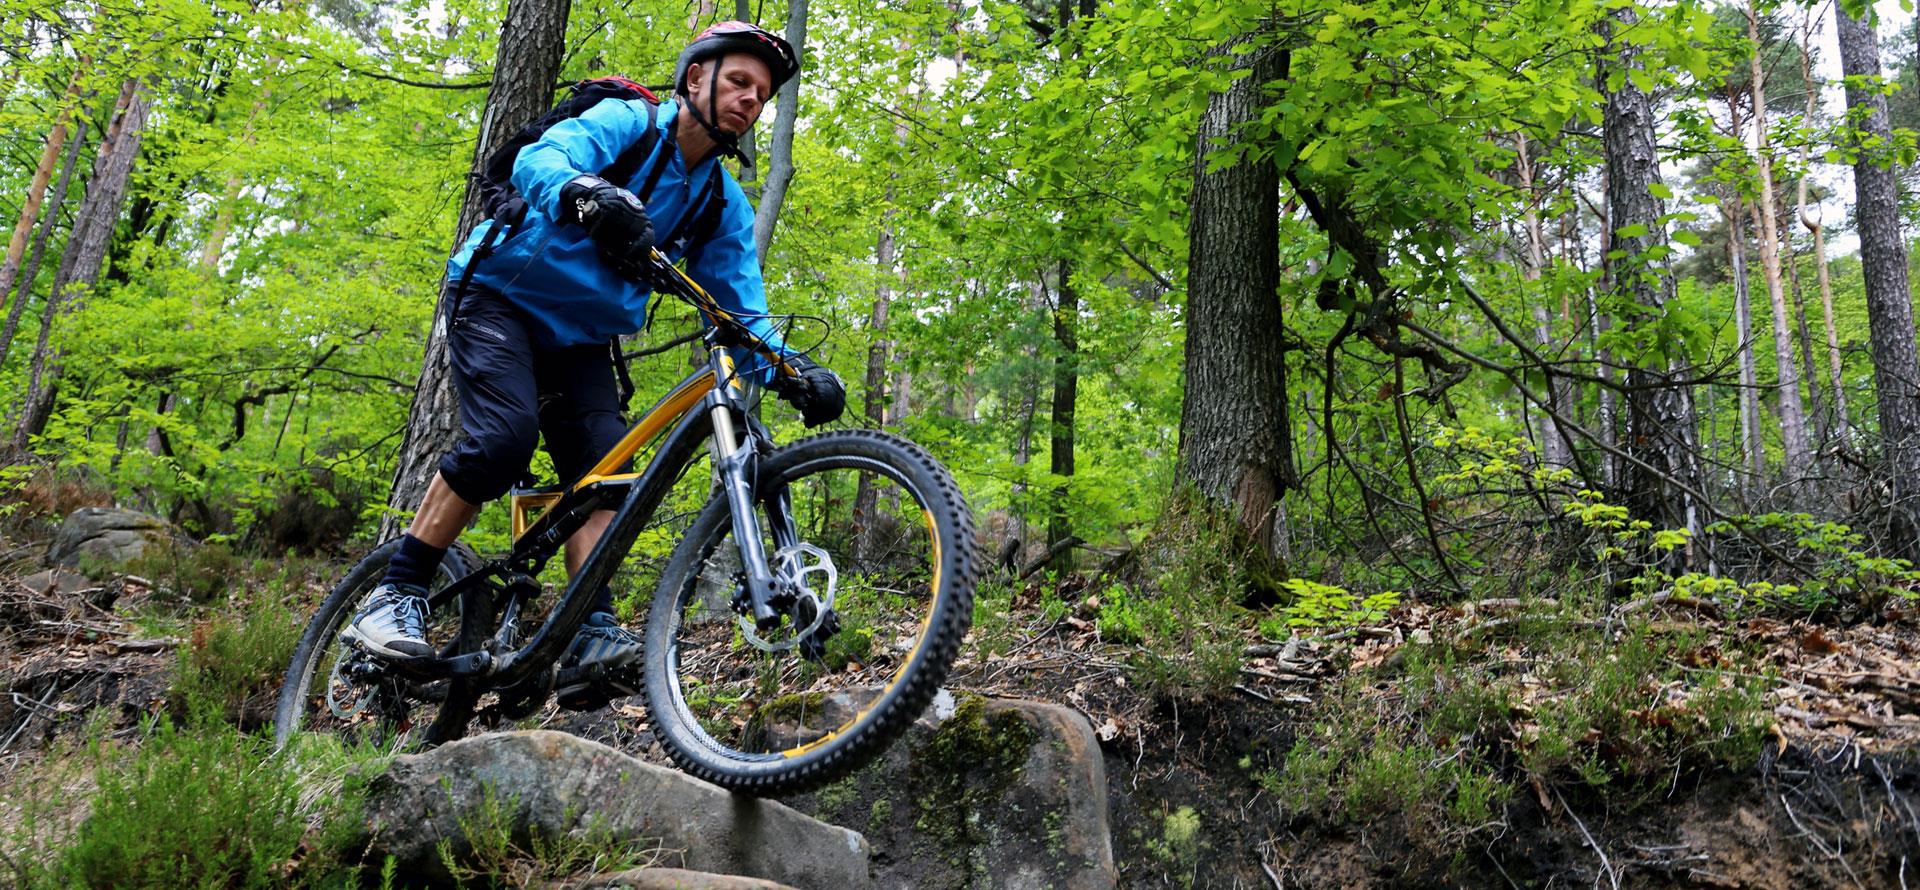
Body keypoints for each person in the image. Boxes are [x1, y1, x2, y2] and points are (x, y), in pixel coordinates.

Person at [342, 21, 846, 706]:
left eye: (762, 95)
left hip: (580, 338)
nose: (751, 101)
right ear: (695, 78)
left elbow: (741, 313)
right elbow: (540, 161)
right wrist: (588, 195)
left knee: (611, 475)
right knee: (502, 439)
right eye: (738, 82)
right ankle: (394, 593)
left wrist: (792, 370)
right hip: (498, 298)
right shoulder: (626, 122)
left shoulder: (719, 202)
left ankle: (588, 631)